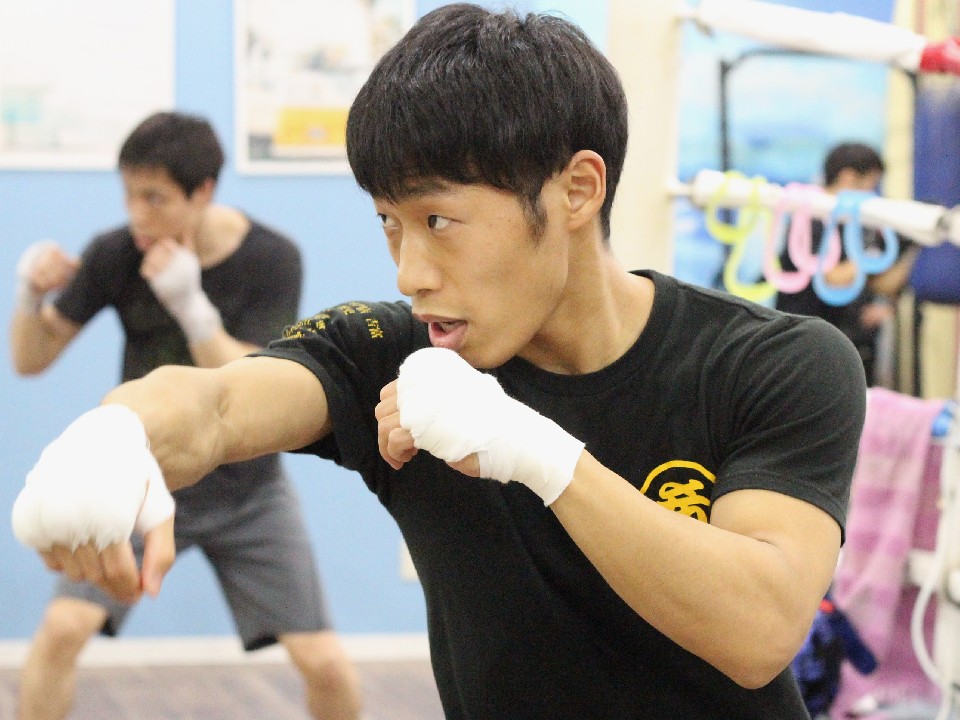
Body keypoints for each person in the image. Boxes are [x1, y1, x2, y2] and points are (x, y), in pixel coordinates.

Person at [12, 7, 866, 719]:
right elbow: (219, 405)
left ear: (576, 190)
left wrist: (532, 450)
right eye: (390, 223)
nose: (409, 272)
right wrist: (114, 436)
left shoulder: (776, 361)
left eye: (438, 221)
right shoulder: (396, 354)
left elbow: (759, 630)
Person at [9, 111, 362, 720]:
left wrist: (192, 306)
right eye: (129, 195)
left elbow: (258, 385)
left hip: (248, 490)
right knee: (62, 630)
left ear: (203, 192)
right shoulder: (117, 253)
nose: (138, 215)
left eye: (155, 198)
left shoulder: (272, 258)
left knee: (324, 661)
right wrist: (28, 295)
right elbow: (30, 359)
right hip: (141, 480)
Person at [775, 142, 919, 386]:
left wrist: (913, 247)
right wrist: (871, 257)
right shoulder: (810, 216)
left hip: (854, 344)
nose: (873, 192)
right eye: (871, 184)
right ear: (848, 177)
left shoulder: (860, 224)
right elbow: (832, 278)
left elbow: (880, 283)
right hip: (808, 345)